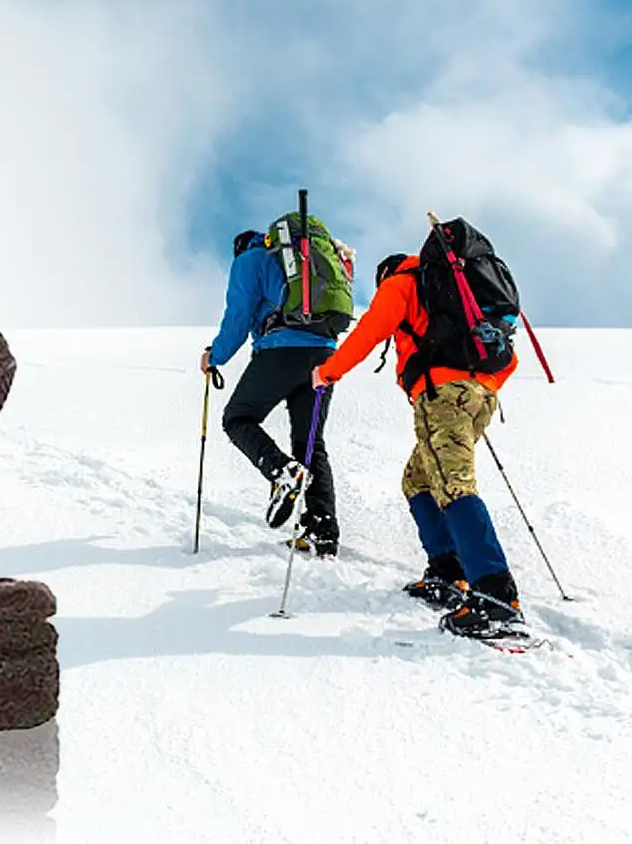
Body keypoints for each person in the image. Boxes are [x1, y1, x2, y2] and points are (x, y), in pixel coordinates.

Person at [310, 252, 523, 638]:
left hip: (440, 396)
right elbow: (507, 358)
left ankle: (496, 599)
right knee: (418, 481)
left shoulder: (403, 284)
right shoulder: (461, 291)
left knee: (454, 485)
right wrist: (476, 387)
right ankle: (448, 572)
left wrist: (327, 372)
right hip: (480, 394)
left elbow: (369, 332)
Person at [200, 229, 339, 556]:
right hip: (324, 354)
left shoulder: (250, 260)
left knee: (237, 418)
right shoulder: (304, 261)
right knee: (310, 443)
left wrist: (214, 356)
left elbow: (239, 315)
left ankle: (282, 471)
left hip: (280, 350)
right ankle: (323, 531)